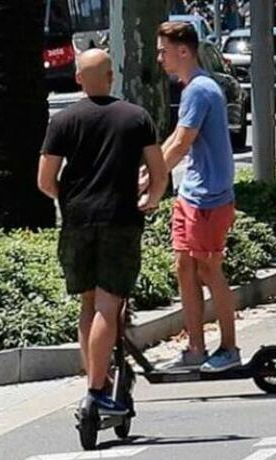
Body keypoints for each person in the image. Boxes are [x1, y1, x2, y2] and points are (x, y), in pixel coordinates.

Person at [39, 50, 167, 415]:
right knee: (109, 306)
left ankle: (92, 384)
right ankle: (98, 391)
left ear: (78, 78)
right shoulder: (136, 117)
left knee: (88, 303)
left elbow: (45, 180)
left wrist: (70, 199)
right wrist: (150, 199)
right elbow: (158, 175)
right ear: (111, 76)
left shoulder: (63, 120)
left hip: (77, 222)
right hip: (121, 220)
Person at [155, 21, 241, 373]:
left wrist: (150, 180)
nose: (159, 57)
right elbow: (175, 138)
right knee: (185, 268)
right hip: (193, 194)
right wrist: (147, 173)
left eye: (163, 51)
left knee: (208, 269)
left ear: (183, 51)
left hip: (208, 197)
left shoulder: (200, 90)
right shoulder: (193, 88)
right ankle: (195, 348)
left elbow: (181, 143)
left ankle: (229, 348)